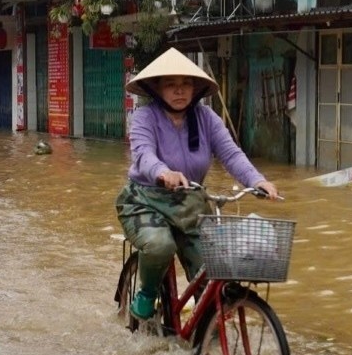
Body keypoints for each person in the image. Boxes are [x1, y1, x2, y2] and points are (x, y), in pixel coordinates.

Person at [115, 48, 279, 321]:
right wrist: (162, 172)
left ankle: (207, 336)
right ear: (156, 88)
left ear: (195, 88)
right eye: (171, 84)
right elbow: (143, 153)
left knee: (215, 274)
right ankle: (147, 292)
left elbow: (231, 154)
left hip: (191, 205)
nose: (179, 91)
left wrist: (257, 180)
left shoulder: (206, 118)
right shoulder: (146, 117)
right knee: (160, 246)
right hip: (145, 201)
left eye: (186, 84)